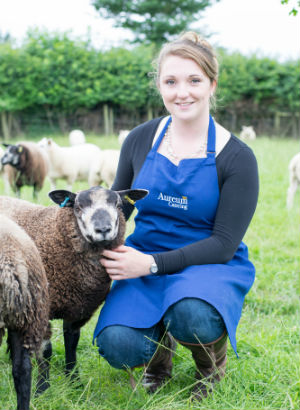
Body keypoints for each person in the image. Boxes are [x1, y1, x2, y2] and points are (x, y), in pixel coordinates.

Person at [93, 31, 259, 400]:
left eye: (194, 80)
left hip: (208, 264)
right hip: (143, 256)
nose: (182, 92)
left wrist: (150, 264)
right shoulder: (139, 139)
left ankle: (210, 367)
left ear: (212, 84)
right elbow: (120, 208)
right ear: (160, 86)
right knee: (117, 344)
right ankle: (158, 362)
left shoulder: (237, 158)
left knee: (192, 316)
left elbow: (223, 244)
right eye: (171, 81)